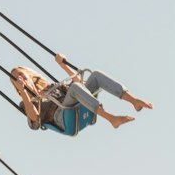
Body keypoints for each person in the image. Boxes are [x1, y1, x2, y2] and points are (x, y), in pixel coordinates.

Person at [9, 56, 152, 133]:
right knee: (76, 88)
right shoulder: (25, 103)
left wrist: (63, 64)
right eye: (16, 79)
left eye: (21, 74)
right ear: (15, 85)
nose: (20, 78)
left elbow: (78, 82)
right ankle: (110, 118)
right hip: (62, 116)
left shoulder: (50, 86)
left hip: (74, 102)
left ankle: (134, 101)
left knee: (95, 76)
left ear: (29, 74)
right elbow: (35, 119)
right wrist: (23, 91)